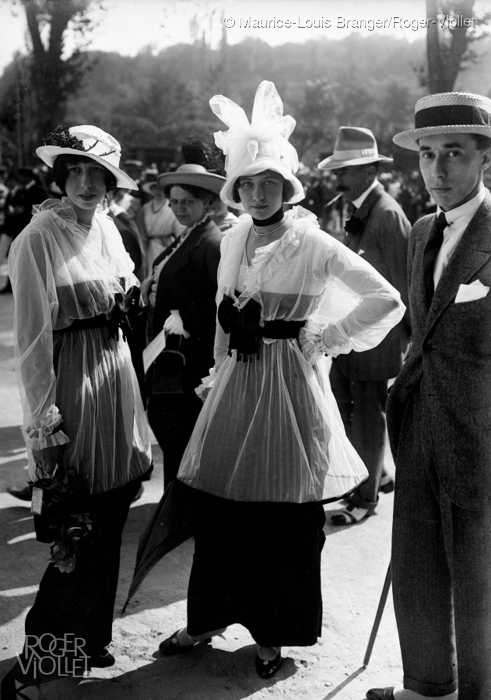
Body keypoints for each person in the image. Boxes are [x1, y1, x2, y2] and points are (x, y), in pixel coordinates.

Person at [156, 81, 405, 679]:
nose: (259, 193)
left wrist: (326, 337)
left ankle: (273, 632)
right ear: (236, 190)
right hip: (237, 387)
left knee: (285, 516)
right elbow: (223, 317)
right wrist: (217, 373)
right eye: (249, 183)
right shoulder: (234, 239)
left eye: (271, 182)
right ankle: (208, 618)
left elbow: (385, 298)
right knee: (219, 510)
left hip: (291, 391)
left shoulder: (312, 242)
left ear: (288, 188)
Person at [1, 124, 152, 700]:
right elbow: (33, 342)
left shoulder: (109, 229)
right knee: (76, 530)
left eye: (100, 174)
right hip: (72, 390)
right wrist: (44, 425)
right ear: (60, 176)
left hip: (115, 384)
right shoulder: (37, 237)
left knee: (112, 516)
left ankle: (86, 640)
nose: (88, 183)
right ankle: (41, 665)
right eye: (77, 172)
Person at [366, 92, 491, 700]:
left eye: (455, 154)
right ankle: (427, 686)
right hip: (418, 422)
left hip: (482, 433)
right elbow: (421, 330)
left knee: (479, 578)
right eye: (429, 155)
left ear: (483, 158)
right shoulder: (420, 232)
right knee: (416, 561)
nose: (439, 171)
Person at [318, 127, 411, 524]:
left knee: (368, 413)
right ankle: (377, 473)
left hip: (379, 336)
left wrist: (406, 343)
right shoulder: (356, 208)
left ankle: (365, 498)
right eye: (339, 167)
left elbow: (405, 286)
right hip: (353, 331)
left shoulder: (387, 215)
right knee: (346, 403)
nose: (341, 176)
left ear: (372, 169)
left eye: (350, 168)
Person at [143, 147, 225, 487]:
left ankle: (183, 507)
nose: (178, 209)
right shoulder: (187, 236)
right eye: (174, 202)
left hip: (189, 357)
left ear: (206, 203)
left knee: (179, 429)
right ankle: (177, 503)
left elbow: (221, 303)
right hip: (169, 352)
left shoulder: (211, 241)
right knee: (168, 425)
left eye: (187, 202)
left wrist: (186, 317)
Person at [137, 179, 185, 271]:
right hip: (151, 246)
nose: (157, 191)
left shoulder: (171, 206)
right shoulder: (146, 207)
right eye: (154, 188)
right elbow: (142, 230)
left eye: (160, 189)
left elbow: (179, 229)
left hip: (168, 244)